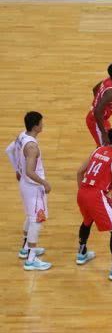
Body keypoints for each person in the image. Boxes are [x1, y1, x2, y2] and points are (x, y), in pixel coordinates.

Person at [75, 126, 112, 280]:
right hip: (96, 195)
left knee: (88, 220)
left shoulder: (98, 150)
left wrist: (83, 191)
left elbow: (79, 172)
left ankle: (82, 253)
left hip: (83, 192)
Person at [5, 111, 52, 271]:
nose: (43, 124)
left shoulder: (21, 136)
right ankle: (31, 259)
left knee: (30, 217)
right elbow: (31, 171)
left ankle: (25, 248)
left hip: (25, 185)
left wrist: (17, 169)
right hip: (33, 187)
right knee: (36, 221)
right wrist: (44, 183)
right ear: (36, 126)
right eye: (41, 122)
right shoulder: (32, 147)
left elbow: (9, 150)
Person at [86, 63, 112, 147]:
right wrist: (103, 134)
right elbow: (97, 112)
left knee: (105, 145)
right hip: (96, 120)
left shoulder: (108, 80)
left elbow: (94, 89)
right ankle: (93, 160)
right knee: (105, 147)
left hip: (102, 119)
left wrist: (98, 102)